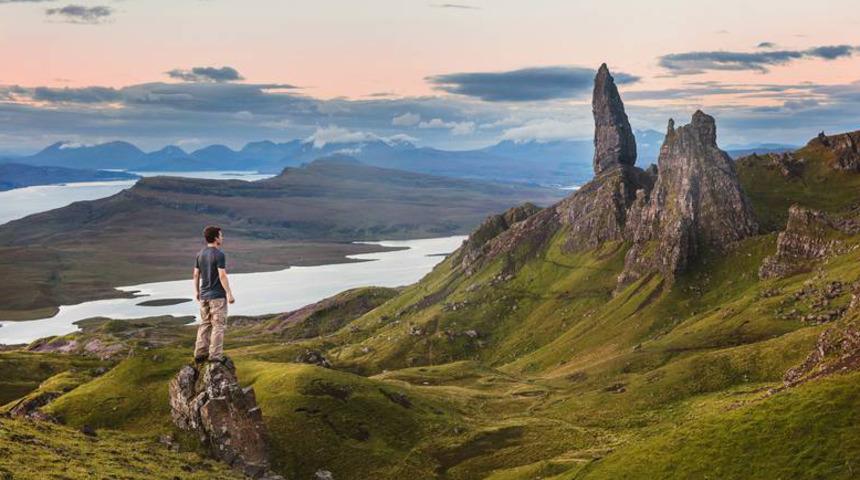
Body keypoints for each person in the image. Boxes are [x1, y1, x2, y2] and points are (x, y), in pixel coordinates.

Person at [192, 225, 235, 363]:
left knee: (205, 323)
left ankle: (200, 353)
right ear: (216, 238)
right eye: (221, 235)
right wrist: (229, 294)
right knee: (218, 326)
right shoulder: (219, 254)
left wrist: (197, 292)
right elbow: (222, 275)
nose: (222, 238)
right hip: (217, 297)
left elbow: (196, 274)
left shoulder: (200, 254)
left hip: (204, 295)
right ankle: (215, 356)